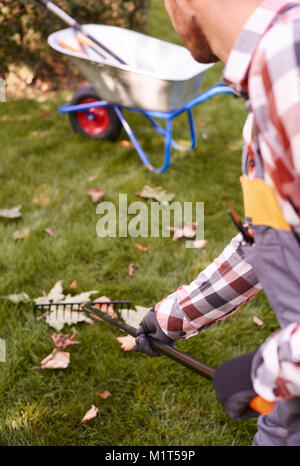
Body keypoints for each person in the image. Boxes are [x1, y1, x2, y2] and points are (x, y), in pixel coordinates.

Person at [134, 0, 300, 446]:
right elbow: (271, 234)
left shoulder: (290, 64)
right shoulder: (273, 70)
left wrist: (266, 371)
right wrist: (175, 316)